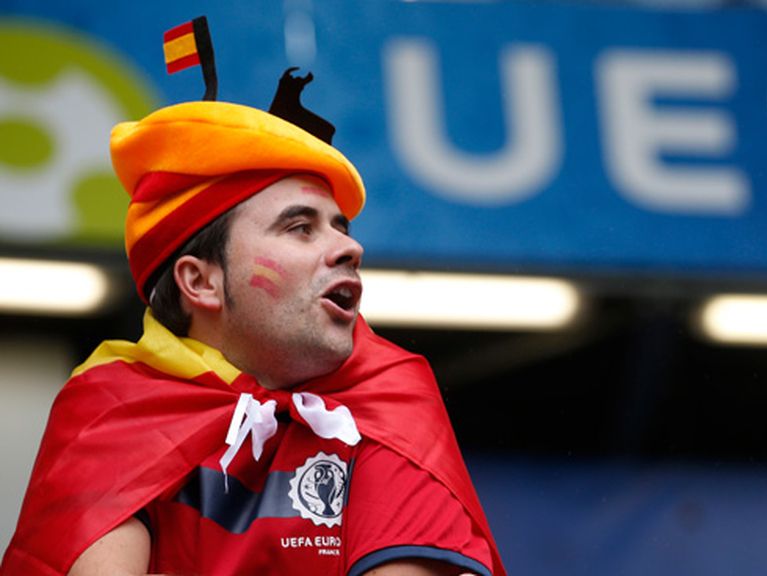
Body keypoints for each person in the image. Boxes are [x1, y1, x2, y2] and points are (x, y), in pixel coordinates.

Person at [0, 71, 505, 576]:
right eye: (300, 228)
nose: (351, 248)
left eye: (339, 228)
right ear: (200, 282)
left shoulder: (391, 398)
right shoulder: (111, 411)